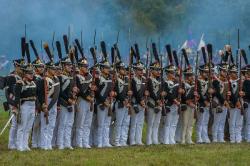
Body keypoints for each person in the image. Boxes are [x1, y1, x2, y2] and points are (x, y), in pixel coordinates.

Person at [14, 64, 37, 151]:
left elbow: (36, 96)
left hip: (32, 106)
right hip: (24, 106)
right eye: (28, 73)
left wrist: (36, 107)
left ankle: (25, 144)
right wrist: (16, 108)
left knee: (28, 127)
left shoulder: (34, 83)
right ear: (24, 74)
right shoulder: (20, 83)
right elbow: (17, 97)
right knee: (22, 127)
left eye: (32, 73)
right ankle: (19, 145)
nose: (31, 75)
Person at [130, 61, 148, 145]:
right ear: (135, 70)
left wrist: (146, 96)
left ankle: (138, 140)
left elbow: (145, 91)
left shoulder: (144, 79)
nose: (141, 71)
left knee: (140, 123)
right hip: (135, 103)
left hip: (143, 103)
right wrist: (141, 101)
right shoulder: (133, 80)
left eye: (142, 69)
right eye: (139, 70)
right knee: (134, 123)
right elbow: (135, 92)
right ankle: (132, 140)